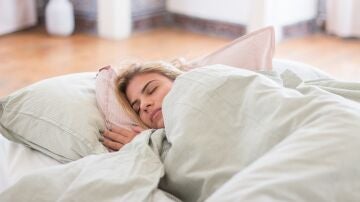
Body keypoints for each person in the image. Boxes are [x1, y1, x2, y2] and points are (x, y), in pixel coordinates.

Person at [100, 60, 185, 151]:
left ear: (176, 79)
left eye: (152, 89)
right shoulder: (145, 145)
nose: (143, 105)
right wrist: (148, 148)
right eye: (137, 109)